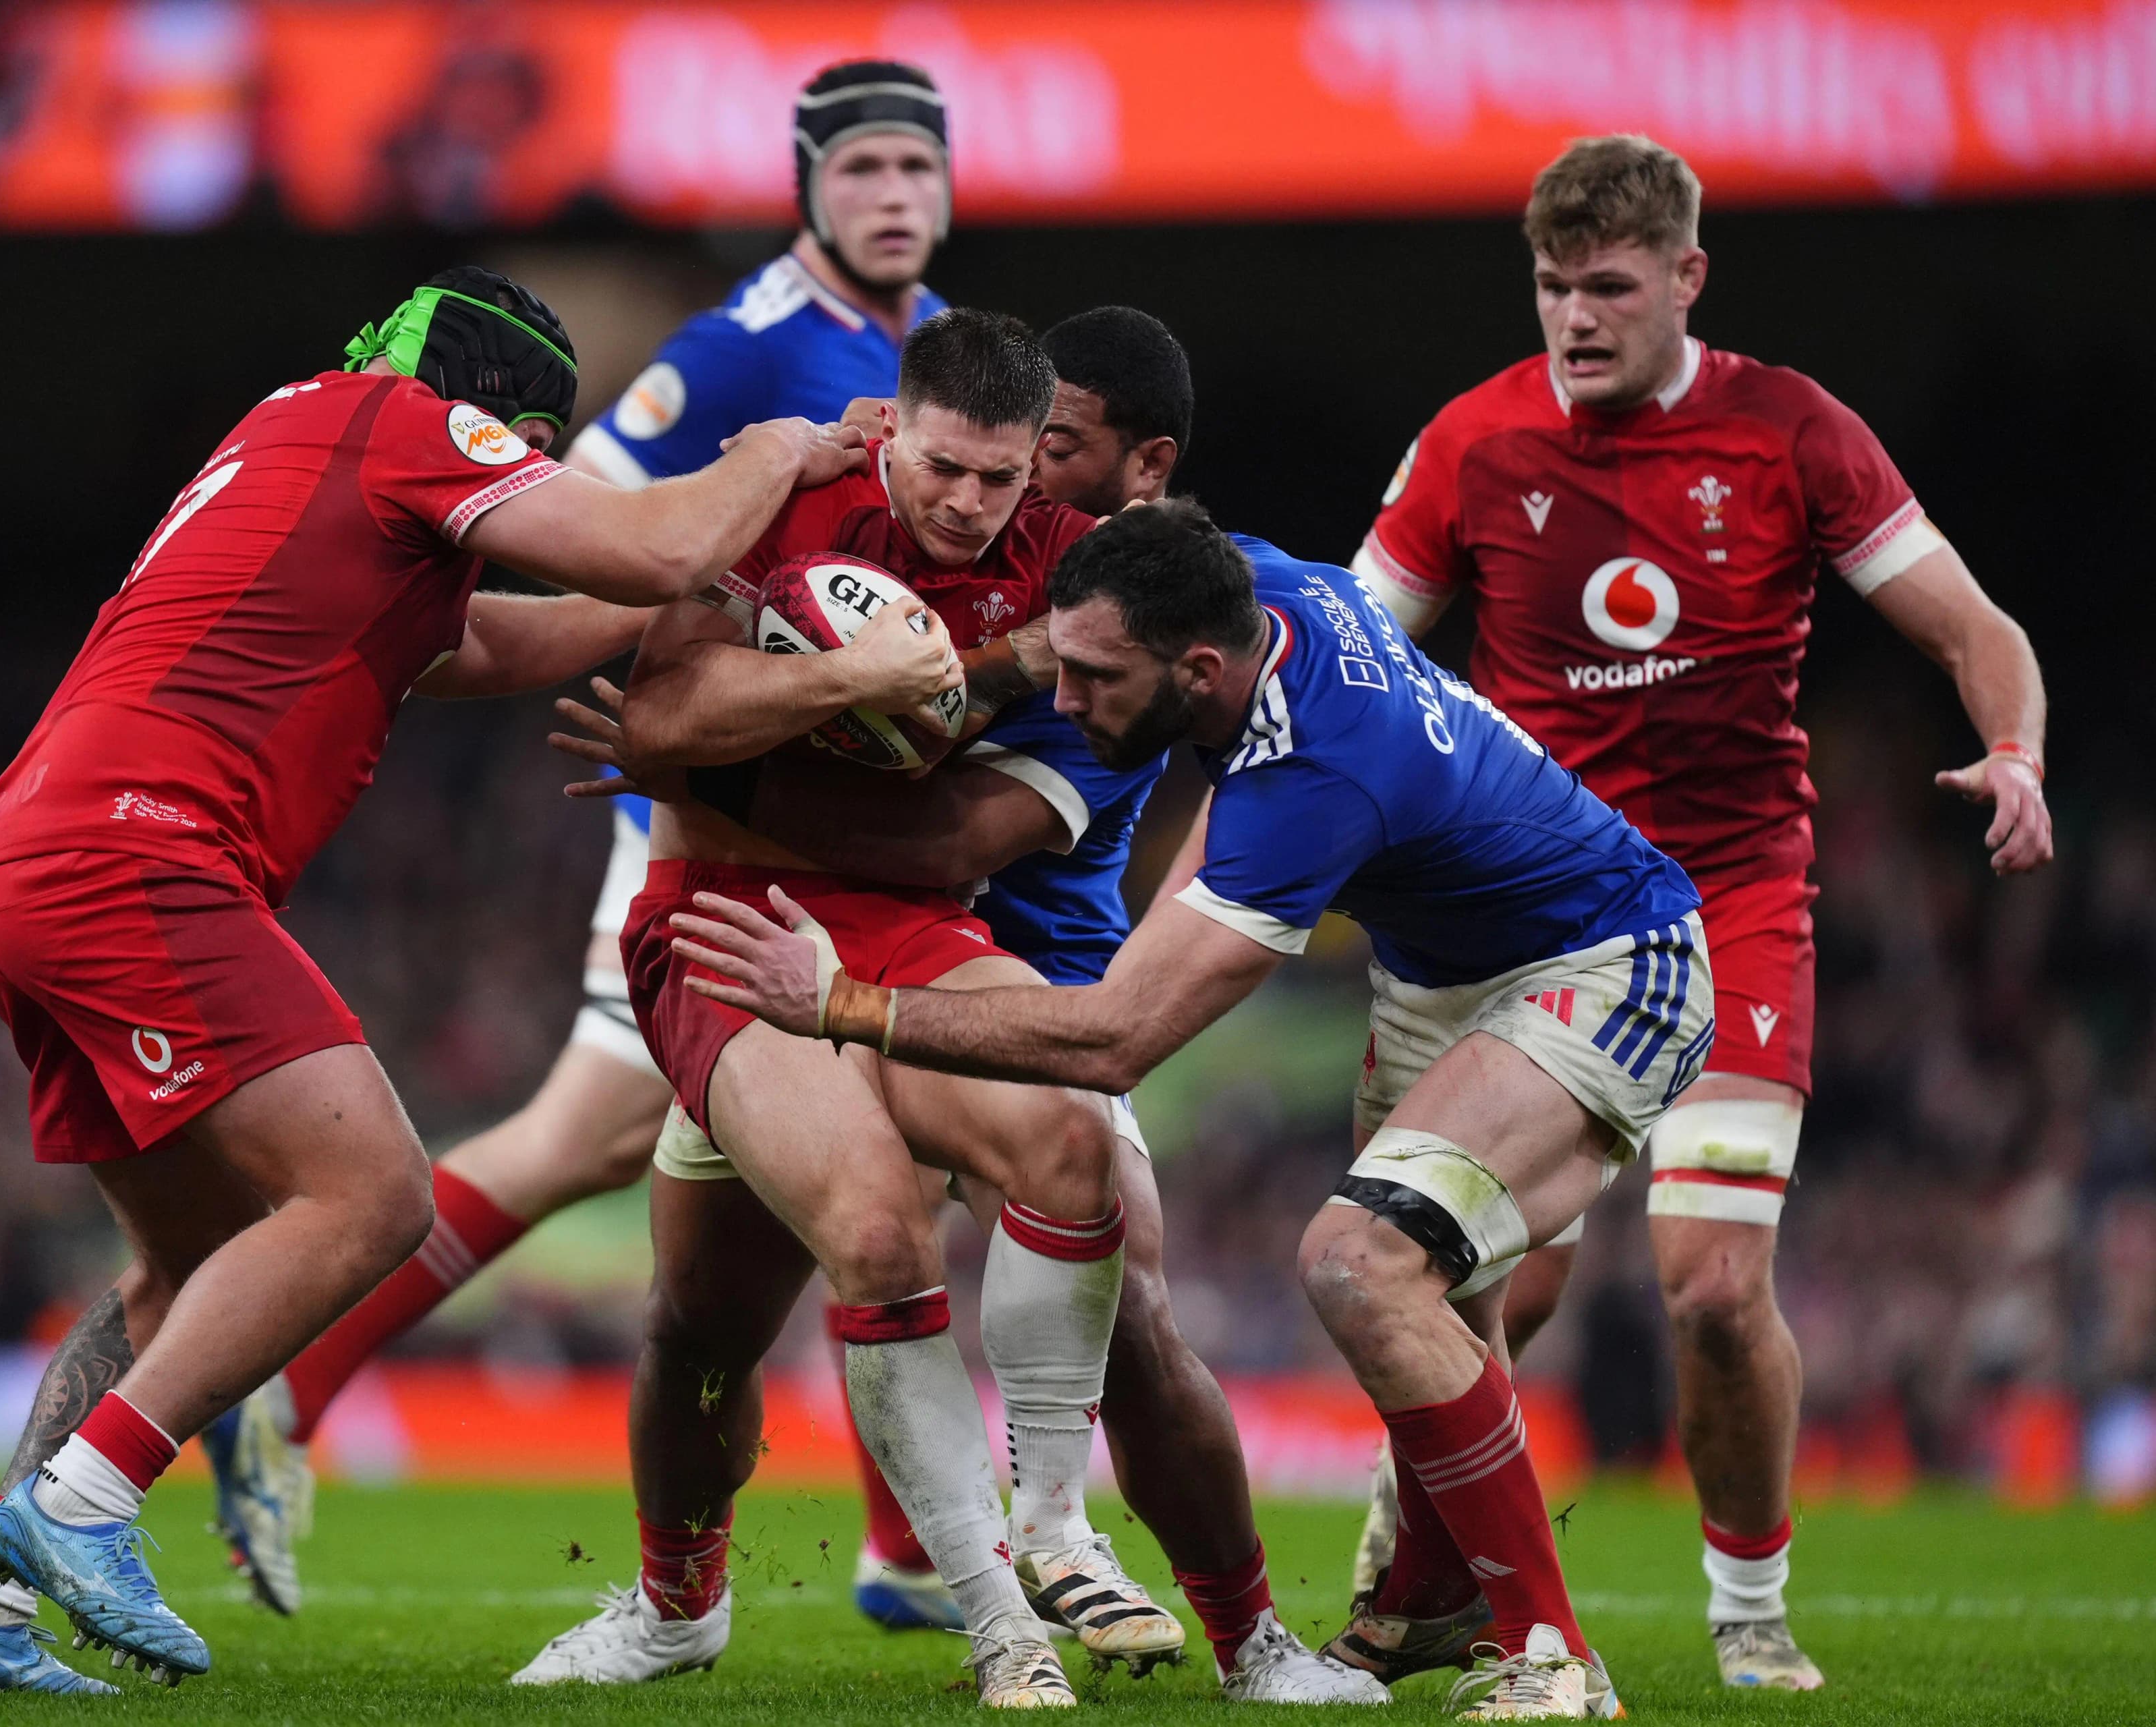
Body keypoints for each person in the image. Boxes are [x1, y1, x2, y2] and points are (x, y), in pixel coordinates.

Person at [0, 268, 864, 1695]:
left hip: (35, 858)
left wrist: (706, 589)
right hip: (139, 858)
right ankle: (84, 1500)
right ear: (508, 417)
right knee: (374, 1195)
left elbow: (480, 641)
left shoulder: (304, 443)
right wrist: (771, 454)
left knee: (186, 1268)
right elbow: (645, 550)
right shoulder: (406, 421)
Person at [673, 499, 1716, 1719]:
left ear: (1200, 670)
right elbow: (1169, 524)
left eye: (1099, 679)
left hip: (1607, 962)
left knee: (1360, 1267)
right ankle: (1434, 1599)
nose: (1067, 703)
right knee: (1444, 1307)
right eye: (1067, 664)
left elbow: (1114, 1041)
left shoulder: (1316, 776)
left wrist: (846, 1003)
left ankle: (1553, 1654)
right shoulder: (1259, 580)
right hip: (1450, 971)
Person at [202, 57, 962, 1631]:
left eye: (917, 169)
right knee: (615, 1135)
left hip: (814, 806)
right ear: (810, 185)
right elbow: (566, 513)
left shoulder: (923, 346)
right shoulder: (739, 348)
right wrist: (662, 696)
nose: (894, 197)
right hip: (709, 815)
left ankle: (900, 1544)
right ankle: (280, 1382)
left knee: (844, 1122)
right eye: (865, 169)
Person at [546, 308, 1386, 1703]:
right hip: (723, 923)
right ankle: (674, 1604)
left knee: (1083, 1171)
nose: (977, 502)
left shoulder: (1088, 588)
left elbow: (937, 837)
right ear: (898, 423)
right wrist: (853, 677)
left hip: (942, 926)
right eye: (950, 467)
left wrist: (936, 673)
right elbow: (659, 719)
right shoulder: (786, 493)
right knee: (712, 1318)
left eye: (1007, 476)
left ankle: (1073, 1598)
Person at [1344, 134, 2053, 1692]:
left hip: (1731, 902)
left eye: (1608, 286)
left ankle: (1749, 1603)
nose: (1575, 318)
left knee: (1715, 1287)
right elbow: (1348, 663)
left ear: (1686, 278)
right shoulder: (1472, 442)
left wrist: (2015, 749)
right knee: (1486, 1284)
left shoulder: (1792, 431)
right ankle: (1429, 1572)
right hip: (1532, 913)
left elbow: (1974, 626)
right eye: (1551, 287)